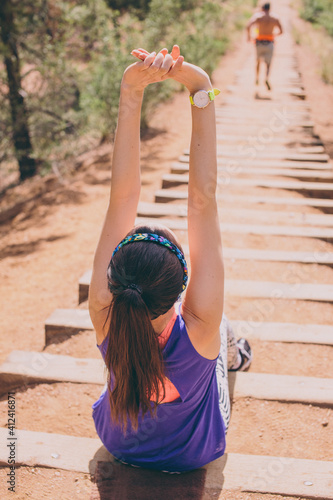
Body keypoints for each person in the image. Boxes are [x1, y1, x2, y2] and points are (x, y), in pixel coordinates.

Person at [88, 45, 252, 473]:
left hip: (119, 444)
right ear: (182, 290)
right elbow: (203, 199)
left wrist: (131, 91)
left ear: (114, 278)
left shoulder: (105, 311)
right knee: (222, 325)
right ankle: (239, 354)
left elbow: (122, 197)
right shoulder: (198, 325)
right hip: (193, 455)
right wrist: (201, 86)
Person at [247, 2, 283, 90]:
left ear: (262, 8)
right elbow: (281, 31)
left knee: (258, 61)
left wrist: (249, 36)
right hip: (270, 42)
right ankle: (266, 78)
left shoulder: (258, 16)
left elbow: (248, 26)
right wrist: (274, 35)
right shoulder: (275, 18)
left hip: (259, 42)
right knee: (268, 64)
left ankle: (257, 78)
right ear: (269, 8)